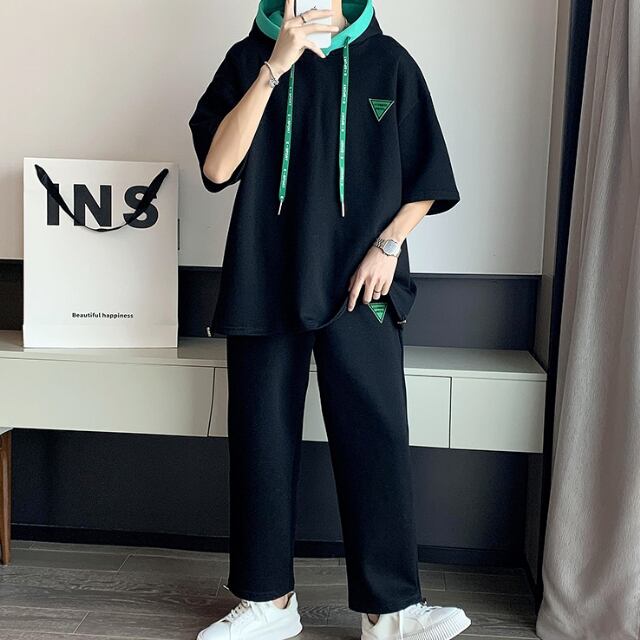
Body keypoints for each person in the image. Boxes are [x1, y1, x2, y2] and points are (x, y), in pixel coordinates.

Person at [188, 0, 470, 638]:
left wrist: (388, 245)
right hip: (265, 275)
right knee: (261, 439)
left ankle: (390, 612)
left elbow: (428, 176)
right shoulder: (248, 58)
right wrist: (276, 65)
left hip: (362, 284)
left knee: (376, 437)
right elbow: (216, 167)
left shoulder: (389, 63)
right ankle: (268, 604)